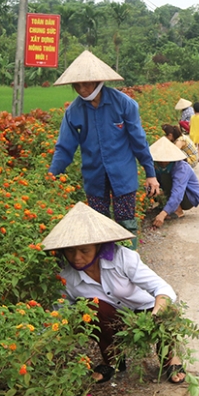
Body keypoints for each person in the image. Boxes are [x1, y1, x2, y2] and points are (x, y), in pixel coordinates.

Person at [42, 202, 186, 384]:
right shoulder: (66, 278)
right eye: (70, 251)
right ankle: (113, 360)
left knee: (167, 312)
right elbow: (59, 313)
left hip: (145, 312)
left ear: (98, 246)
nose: (77, 257)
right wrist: (38, 341)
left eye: (84, 250)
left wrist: (155, 316)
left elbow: (163, 289)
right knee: (90, 307)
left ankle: (170, 358)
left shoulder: (122, 258)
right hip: (112, 319)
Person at [48, 50, 160, 248]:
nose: (81, 89)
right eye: (77, 85)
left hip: (122, 174)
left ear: (98, 81)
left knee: (126, 222)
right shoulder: (73, 112)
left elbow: (138, 141)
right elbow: (64, 148)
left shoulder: (124, 104)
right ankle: (105, 264)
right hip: (94, 176)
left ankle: (128, 262)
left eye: (86, 84)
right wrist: (51, 175)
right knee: (98, 225)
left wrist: (150, 174)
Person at [149, 137, 199, 228]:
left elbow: (177, 193)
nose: (161, 162)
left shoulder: (181, 167)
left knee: (165, 177)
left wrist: (163, 214)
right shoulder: (158, 166)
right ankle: (169, 207)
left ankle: (178, 211)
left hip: (189, 198)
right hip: (177, 193)